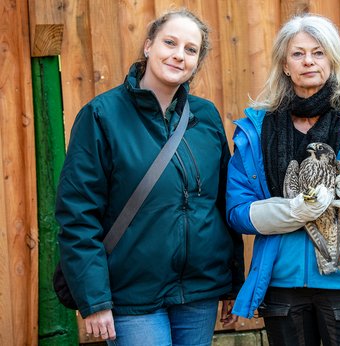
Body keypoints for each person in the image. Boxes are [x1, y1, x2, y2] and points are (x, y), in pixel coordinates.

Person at [55, 8, 244, 345]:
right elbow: (77, 215)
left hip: (197, 292)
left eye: (190, 49)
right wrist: (95, 300)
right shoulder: (102, 115)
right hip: (131, 295)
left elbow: (221, 203)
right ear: (148, 46)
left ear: (197, 61)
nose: (178, 55)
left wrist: (232, 282)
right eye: (169, 42)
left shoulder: (206, 116)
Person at [226, 13, 340, 346]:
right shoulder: (256, 130)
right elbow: (237, 210)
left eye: (318, 52)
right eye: (298, 54)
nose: (308, 61)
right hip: (282, 286)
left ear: (333, 59)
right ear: (285, 65)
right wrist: (292, 211)